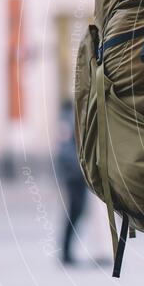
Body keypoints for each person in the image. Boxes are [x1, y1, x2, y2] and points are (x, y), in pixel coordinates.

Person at [56, 100, 89, 267]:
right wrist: (79, 168)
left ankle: (67, 252)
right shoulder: (68, 120)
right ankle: (66, 253)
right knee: (75, 211)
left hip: (75, 173)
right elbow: (66, 150)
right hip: (74, 175)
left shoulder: (69, 119)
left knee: (77, 212)